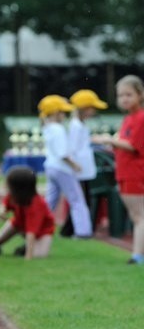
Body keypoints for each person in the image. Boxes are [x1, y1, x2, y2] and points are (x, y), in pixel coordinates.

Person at [94, 75, 144, 265]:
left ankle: (137, 255)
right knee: (136, 215)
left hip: (135, 172)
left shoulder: (140, 118)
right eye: (121, 95)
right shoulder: (129, 118)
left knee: (139, 216)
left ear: (140, 95)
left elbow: (133, 146)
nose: (124, 99)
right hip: (124, 172)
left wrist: (108, 139)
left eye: (129, 94)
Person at [38, 95, 92, 239]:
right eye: (62, 112)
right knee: (77, 200)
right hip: (62, 168)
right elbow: (63, 153)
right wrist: (75, 165)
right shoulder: (58, 129)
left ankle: (38, 225)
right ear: (56, 113)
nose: (64, 115)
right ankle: (83, 232)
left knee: (50, 200)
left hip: (51, 167)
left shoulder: (47, 127)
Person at [61, 89, 108, 237]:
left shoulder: (80, 124)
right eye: (92, 108)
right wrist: (74, 165)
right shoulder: (75, 126)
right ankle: (71, 230)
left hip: (84, 169)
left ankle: (71, 230)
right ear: (84, 108)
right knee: (81, 201)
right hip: (79, 170)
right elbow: (72, 148)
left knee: (83, 200)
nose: (93, 112)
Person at [0, 165, 55, 260]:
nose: (6, 186)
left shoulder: (36, 204)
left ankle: (25, 249)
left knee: (39, 255)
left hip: (42, 231)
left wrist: (28, 256)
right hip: (18, 223)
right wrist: (2, 211)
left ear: (18, 188)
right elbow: (5, 204)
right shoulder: (14, 196)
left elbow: (31, 232)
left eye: (9, 184)